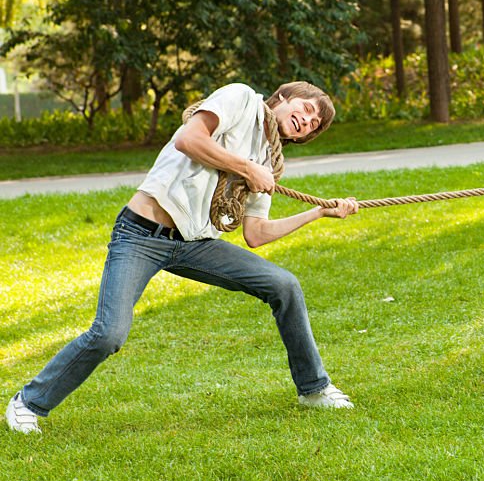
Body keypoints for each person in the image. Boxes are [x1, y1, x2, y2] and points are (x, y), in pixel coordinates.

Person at [6, 82, 358, 434]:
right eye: (307, 110)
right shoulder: (240, 99)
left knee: (284, 285)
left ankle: (313, 389)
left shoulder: (267, 158)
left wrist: (317, 213)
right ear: (283, 98)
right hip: (142, 234)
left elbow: (256, 233)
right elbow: (189, 140)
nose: (308, 122)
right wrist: (247, 170)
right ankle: (28, 402)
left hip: (196, 243)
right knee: (109, 334)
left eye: (315, 125)